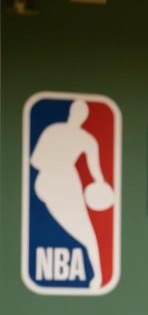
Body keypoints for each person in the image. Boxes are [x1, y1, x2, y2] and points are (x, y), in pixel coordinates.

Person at [30, 99, 108, 288]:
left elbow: (96, 173)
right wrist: (56, 164)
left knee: (88, 234)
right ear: (72, 113)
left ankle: (97, 276)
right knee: (83, 233)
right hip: (53, 181)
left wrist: (101, 187)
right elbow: (35, 160)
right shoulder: (53, 130)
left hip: (64, 182)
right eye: (78, 112)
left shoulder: (87, 140)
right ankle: (97, 275)